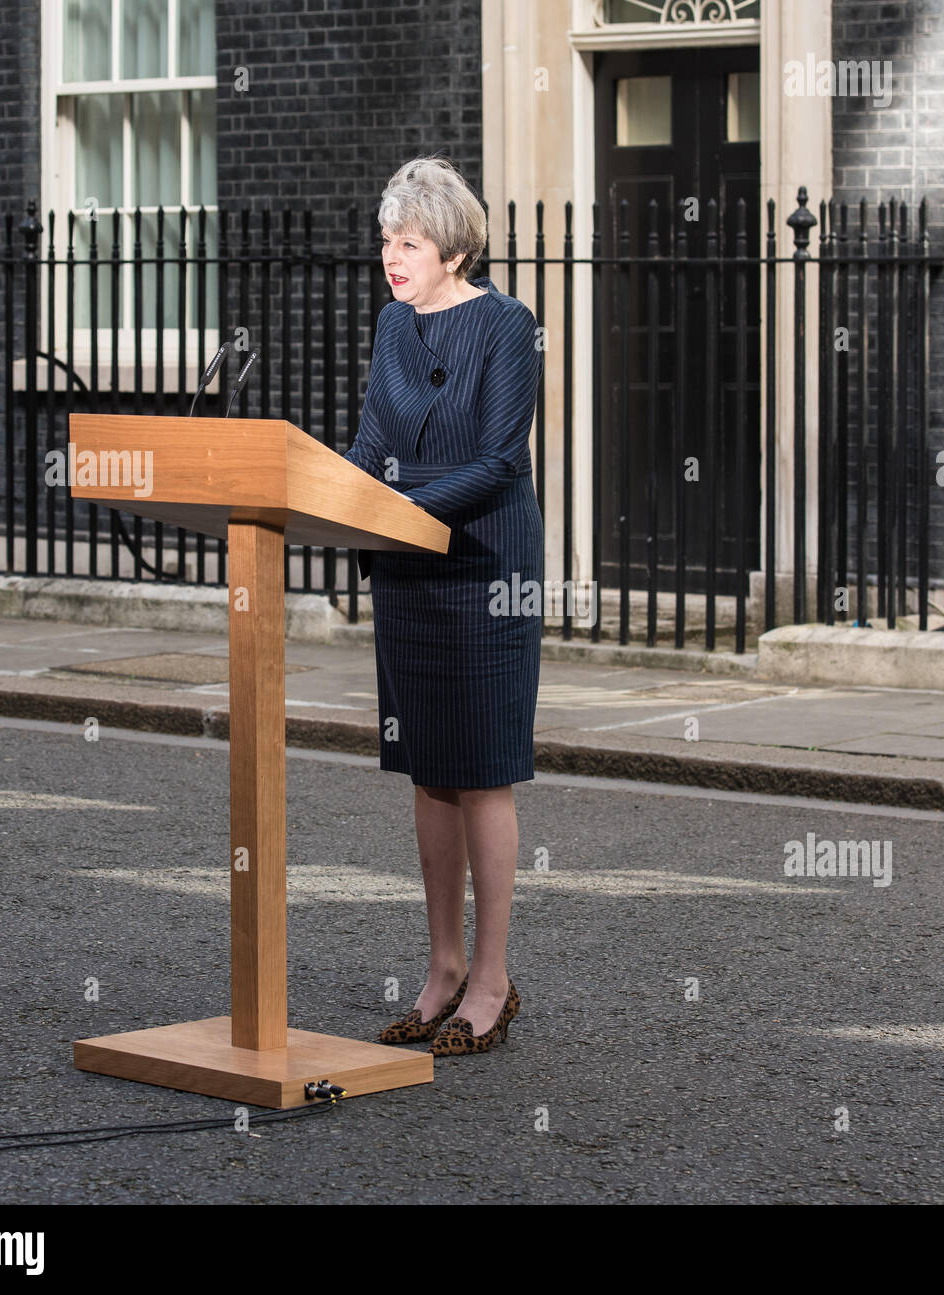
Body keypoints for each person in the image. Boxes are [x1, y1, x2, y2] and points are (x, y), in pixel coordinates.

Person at [342, 156, 543, 1057]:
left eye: (409, 241)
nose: (392, 255)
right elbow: (371, 442)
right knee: (427, 768)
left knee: (481, 767)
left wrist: (405, 511)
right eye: (387, 239)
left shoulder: (507, 325)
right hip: (408, 567)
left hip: (485, 565)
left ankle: (494, 980)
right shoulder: (392, 328)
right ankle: (443, 968)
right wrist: (342, 503)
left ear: (452, 246)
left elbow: (501, 458)